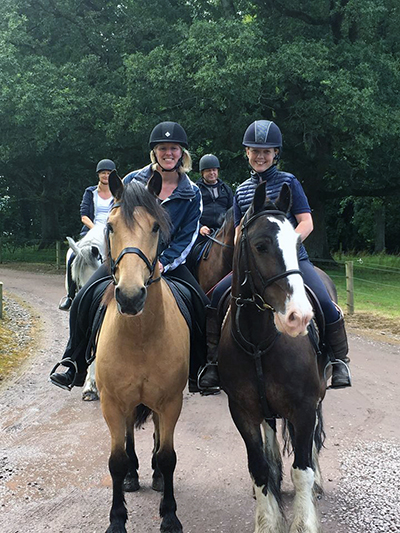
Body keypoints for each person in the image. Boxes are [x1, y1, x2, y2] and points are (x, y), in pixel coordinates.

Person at [50, 121, 209, 392]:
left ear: (181, 153)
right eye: (162, 148)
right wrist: (119, 259)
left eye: (173, 148)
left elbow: (188, 236)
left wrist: (163, 261)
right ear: (154, 152)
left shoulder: (192, 192)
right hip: (127, 260)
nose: (167, 153)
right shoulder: (132, 181)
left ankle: (200, 370)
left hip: (166, 263)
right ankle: (73, 361)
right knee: (84, 298)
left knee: (200, 305)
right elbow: (115, 223)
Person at [199, 120, 351, 390]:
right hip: (255, 264)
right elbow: (237, 232)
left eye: (266, 151)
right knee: (214, 299)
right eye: (255, 151)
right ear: (247, 152)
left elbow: (306, 222)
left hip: (293, 260)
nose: (260, 156)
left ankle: (339, 360)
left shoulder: (289, 182)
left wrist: (287, 245)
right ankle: (212, 363)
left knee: (324, 300)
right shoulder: (242, 190)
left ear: (276, 154)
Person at [58, 159, 116, 311]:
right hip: (91, 230)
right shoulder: (90, 192)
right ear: (98, 175)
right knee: (72, 255)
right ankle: (70, 296)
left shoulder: (118, 192)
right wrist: (97, 229)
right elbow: (84, 216)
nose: (106, 176)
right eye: (103, 173)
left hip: (113, 231)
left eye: (109, 173)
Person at [197, 154, 233, 237]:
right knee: (195, 249)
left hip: (224, 230)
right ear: (202, 173)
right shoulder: (196, 190)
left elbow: (232, 210)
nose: (212, 173)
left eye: (214, 170)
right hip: (203, 231)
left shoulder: (226, 189)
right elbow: (191, 213)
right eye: (208, 170)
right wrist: (200, 227)